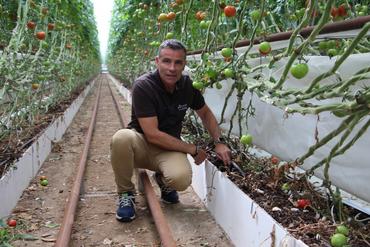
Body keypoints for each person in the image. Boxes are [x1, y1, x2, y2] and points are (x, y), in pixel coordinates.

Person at [110, 39, 231, 222]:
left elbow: (205, 113)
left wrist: (219, 142)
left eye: (178, 62)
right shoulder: (144, 86)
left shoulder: (187, 86)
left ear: (184, 64)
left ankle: (163, 179)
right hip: (141, 145)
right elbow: (152, 134)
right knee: (121, 138)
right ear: (157, 61)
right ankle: (126, 193)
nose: (172, 68)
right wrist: (192, 149)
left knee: (181, 179)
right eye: (167, 61)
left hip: (167, 149)